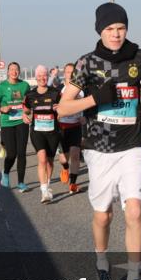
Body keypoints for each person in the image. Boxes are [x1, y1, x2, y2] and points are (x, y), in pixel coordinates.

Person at [56, 3, 141, 280]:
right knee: (103, 215)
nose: (116, 34)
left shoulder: (140, 57)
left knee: (135, 210)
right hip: (99, 149)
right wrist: (94, 98)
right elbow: (63, 107)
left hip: (131, 144)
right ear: (99, 31)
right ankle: (102, 263)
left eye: (121, 28)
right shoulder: (86, 64)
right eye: (110, 29)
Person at [23, 65, 61, 204]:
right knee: (42, 159)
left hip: (53, 132)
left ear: (47, 76)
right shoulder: (30, 95)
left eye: (44, 76)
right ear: (36, 78)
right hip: (37, 132)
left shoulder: (56, 93)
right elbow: (26, 109)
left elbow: (64, 107)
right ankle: (44, 191)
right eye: (39, 76)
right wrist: (24, 115)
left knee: (50, 162)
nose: (42, 78)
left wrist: (60, 109)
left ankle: (47, 184)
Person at [0, 62, 31, 192]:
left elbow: (29, 103)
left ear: (19, 71)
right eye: (12, 69)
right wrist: (2, 108)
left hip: (21, 122)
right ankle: (6, 172)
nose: (14, 72)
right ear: (8, 72)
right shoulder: (2, 87)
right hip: (7, 123)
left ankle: (21, 182)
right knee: (12, 154)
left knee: (22, 153)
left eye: (16, 69)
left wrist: (27, 112)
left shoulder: (25, 85)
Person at [56, 63, 83, 195]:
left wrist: (85, 117)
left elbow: (87, 105)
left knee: (75, 155)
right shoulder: (59, 89)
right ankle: (65, 168)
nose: (70, 74)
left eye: (72, 72)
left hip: (76, 126)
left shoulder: (81, 89)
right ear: (64, 73)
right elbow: (53, 106)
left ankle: (73, 183)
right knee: (63, 158)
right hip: (62, 127)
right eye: (67, 72)